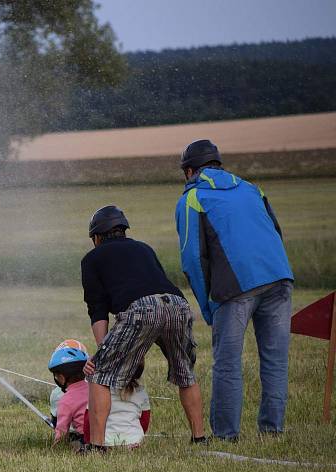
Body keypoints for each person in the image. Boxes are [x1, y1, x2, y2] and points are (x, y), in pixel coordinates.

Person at [176, 140, 294, 441]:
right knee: (275, 358)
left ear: (190, 171)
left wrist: (207, 306)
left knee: (227, 363)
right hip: (279, 275)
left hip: (235, 288)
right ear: (218, 164)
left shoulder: (191, 199)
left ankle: (226, 435)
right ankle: (272, 431)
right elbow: (276, 231)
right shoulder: (253, 188)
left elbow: (192, 261)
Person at [81, 205, 207, 452]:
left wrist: (103, 350)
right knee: (185, 373)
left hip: (141, 308)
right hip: (178, 305)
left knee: (99, 375)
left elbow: (97, 308)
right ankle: (199, 438)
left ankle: (96, 446)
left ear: (97, 237)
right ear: (123, 230)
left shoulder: (92, 258)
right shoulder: (143, 248)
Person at [82, 363, 151, 448]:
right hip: (134, 443)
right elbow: (144, 421)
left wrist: (89, 443)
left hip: (105, 444)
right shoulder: (141, 392)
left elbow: (89, 420)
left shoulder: (99, 391)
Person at [48, 339, 89, 446]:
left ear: (61, 377)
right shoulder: (94, 390)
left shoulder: (66, 400)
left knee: (74, 444)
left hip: (85, 439)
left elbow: (62, 430)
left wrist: (56, 446)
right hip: (104, 435)